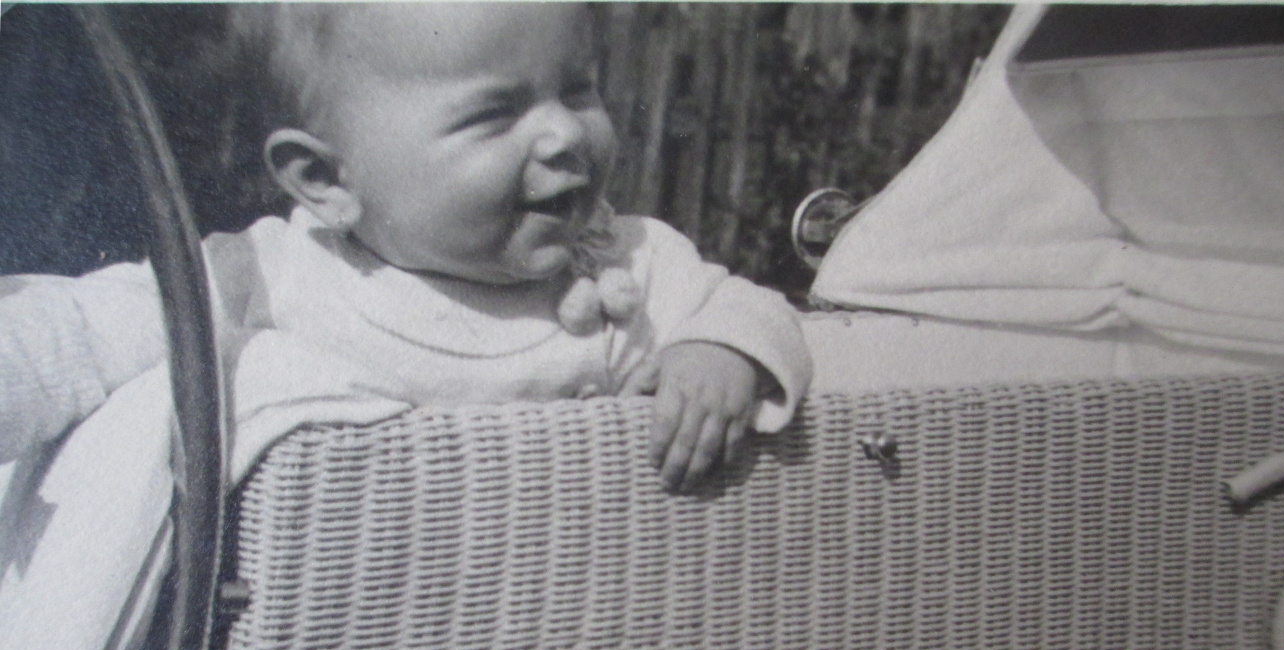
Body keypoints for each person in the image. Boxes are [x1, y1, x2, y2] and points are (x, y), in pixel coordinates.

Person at [0, 2, 812, 492]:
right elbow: (95, 327)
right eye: (495, 114)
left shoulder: (626, 262)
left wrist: (721, 350)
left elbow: (757, 309)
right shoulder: (282, 277)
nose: (564, 134)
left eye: (577, 89)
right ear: (325, 179)